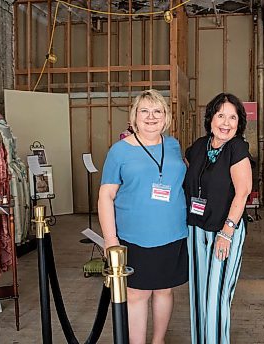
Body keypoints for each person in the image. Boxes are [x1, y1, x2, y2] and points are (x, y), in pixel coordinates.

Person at [98, 89, 188, 344]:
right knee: (137, 295)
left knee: (164, 290)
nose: (151, 117)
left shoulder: (172, 145)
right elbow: (106, 196)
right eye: (144, 111)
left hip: (172, 233)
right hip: (135, 236)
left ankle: (158, 341)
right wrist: (110, 239)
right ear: (134, 117)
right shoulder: (119, 151)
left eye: (157, 111)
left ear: (166, 117)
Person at [184, 92, 252, 344]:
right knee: (199, 295)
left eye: (232, 117)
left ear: (239, 122)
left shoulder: (237, 148)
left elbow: (243, 192)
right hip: (196, 229)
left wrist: (227, 232)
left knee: (216, 298)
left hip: (225, 231)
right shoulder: (198, 147)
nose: (226, 122)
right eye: (221, 115)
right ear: (211, 118)